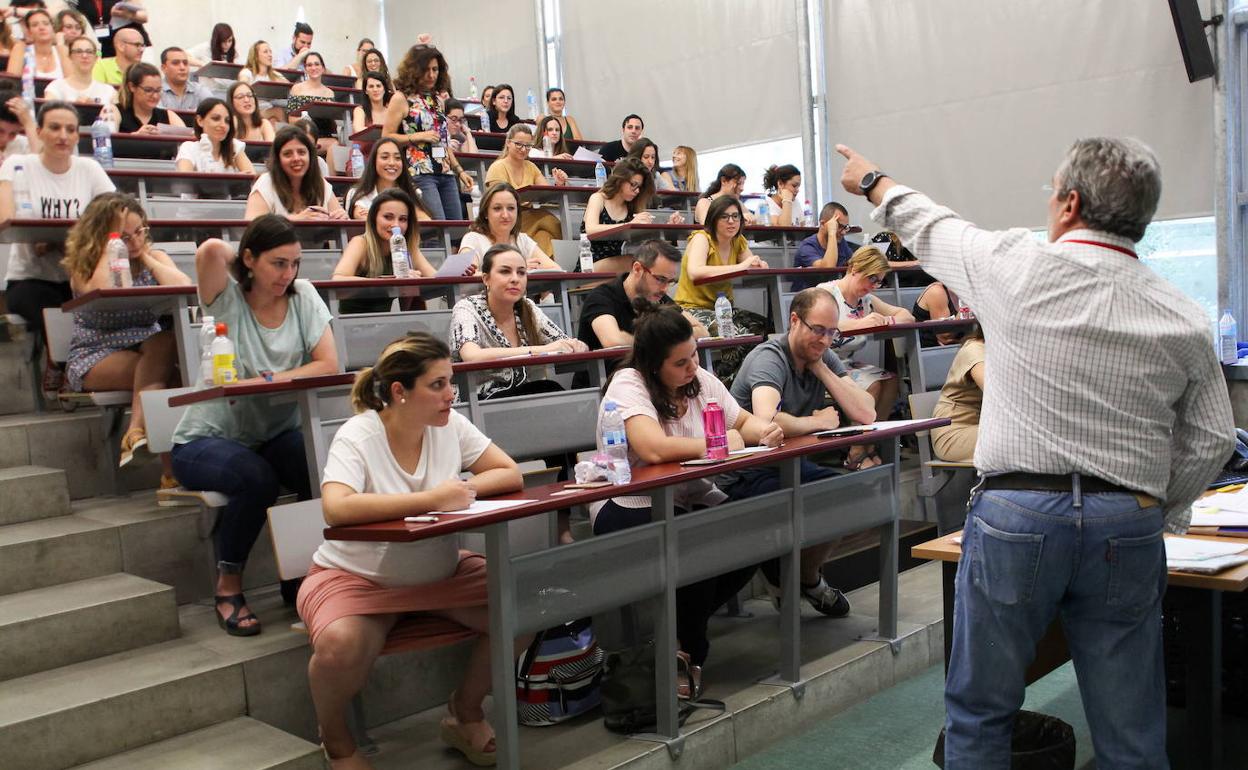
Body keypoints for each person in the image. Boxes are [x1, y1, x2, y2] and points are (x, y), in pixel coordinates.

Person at [839, 137, 1237, 767]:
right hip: (1125, 523)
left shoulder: (1014, 264)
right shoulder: (1181, 312)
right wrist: (1156, 506)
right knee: (1132, 731)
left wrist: (873, 182)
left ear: (1071, 203)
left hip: (1017, 515)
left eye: (1051, 189)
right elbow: (1215, 437)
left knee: (980, 715)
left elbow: (932, 225)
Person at [299, 332, 526, 768]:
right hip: (357, 578)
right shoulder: (358, 434)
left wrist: (464, 488)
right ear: (400, 392)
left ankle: (465, 711)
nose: (450, 394)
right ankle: (337, 739)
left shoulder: (450, 424)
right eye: (437, 385)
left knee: (525, 607)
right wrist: (433, 499)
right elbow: (337, 506)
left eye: (451, 382)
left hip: (441, 573)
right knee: (339, 647)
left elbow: (508, 473)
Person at [593, 303, 783, 695]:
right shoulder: (628, 383)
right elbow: (653, 448)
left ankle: (677, 632)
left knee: (757, 530)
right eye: (680, 363)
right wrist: (718, 444)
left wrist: (765, 430)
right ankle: (686, 649)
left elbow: (742, 421)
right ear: (652, 365)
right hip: (630, 502)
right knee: (695, 544)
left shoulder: (700, 379)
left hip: (690, 497)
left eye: (694, 354)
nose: (692, 367)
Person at [171, 216, 338, 637]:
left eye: (295, 263)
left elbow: (328, 364)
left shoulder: (304, 297)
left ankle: (299, 576)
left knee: (316, 464)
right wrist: (245, 262)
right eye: (277, 263)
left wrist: (263, 381)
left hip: (270, 434)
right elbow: (210, 249)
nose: (288, 274)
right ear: (248, 259)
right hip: (205, 440)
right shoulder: (226, 298)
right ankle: (228, 587)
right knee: (256, 479)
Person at [723, 287, 877, 616]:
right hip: (747, 472)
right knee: (827, 497)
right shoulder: (769, 357)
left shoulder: (820, 354)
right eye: (817, 330)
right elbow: (765, 420)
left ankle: (802, 578)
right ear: (794, 321)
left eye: (831, 332)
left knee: (854, 494)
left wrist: (821, 367)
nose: (823, 340)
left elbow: (866, 412)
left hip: (788, 466)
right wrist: (816, 421)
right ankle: (796, 577)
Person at [60, 192, 189, 483]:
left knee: (165, 341)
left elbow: (183, 285)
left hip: (150, 346)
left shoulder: (153, 257)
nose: (134, 240)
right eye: (124, 234)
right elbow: (104, 290)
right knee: (171, 380)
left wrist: (144, 255)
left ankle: (134, 433)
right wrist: (113, 247)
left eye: (139, 232)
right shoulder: (85, 266)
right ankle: (171, 474)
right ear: (102, 235)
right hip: (96, 352)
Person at [1, 100, 115, 392]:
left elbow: (116, 216)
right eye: (54, 128)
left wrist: (58, 243)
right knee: (58, 316)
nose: (63, 135)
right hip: (29, 279)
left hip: (77, 278)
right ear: (38, 132)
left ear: (78, 135)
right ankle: (62, 366)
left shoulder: (88, 168)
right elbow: (5, 220)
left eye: (70, 129)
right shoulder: (17, 165)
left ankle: (71, 370)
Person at [450, 243, 586, 400]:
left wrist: (575, 346)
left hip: (518, 395)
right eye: (505, 271)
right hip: (478, 399)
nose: (515, 279)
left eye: (521, 273)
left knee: (551, 390)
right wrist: (538, 350)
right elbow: (472, 355)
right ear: (486, 279)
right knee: (546, 391)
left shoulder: (527, 306)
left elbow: (561, 343)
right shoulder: (466, 308)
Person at [674, 194, 770, 383]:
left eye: (736, 216)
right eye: (724, 216)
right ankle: (723, 384)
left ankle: (743, 381)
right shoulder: (702, 238)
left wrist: (759, 263)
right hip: (693, 309)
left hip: (723, 307)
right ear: (714, 219)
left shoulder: (738, 240)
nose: (731, 221)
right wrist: (741, 266)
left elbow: (751, 264)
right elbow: (695, 271)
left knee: (762, 328)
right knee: (736, 336)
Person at [816, 245, 913, 426]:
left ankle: (869, 444)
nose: (873, 287)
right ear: (854, 269)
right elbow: (817, 326)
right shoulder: (825, 293)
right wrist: (860, 323)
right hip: (821, 363)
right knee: (872, 385)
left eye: (878, 282)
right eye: (871, 279)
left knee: (892, 381)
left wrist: (887, 321)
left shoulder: (865, 300)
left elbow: (907, 316)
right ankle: (858, 449)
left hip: (847, 364)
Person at [384, 44, 473, 221]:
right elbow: (386, 137)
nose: (432, 75)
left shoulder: (438, 100)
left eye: (435, 69)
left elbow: (444, 142)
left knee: (456, 228)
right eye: (426, 70)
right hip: (420, 171)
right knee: (437, 228)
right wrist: (417, 136)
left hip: (446, 171)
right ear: (414, 70)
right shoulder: (401, 99)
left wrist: (460, 171)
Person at [575, 238, 708, 352]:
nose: (665, 289)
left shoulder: (658, 297)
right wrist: (663, 339)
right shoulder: (601, 297)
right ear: (637, 269)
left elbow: (701, 331)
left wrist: (661, 339)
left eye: (670, 282)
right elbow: (613, 341)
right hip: (609, 378)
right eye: (660, 279)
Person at [333, 188, 437, 314]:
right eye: (388, 217)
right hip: (354, 326)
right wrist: (387, 282)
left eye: (403, 219)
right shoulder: (360, 243)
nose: (396, 225)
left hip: (386, 325)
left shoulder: (407, 247)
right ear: (374, 218)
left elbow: (435, 279)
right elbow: (338, 280)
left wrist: (415, 280)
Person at [485, 124, 567, 256]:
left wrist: (558, 184)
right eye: (519, 144)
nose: (523, 149)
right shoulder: (497, 167)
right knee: (550, 220)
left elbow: (547, 193)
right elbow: (497, 202)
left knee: (545, 235)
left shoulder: (531, 166)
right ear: (508, 143)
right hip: (507, 218)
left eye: (528, 146)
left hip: (528, 216)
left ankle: (541, 271)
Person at [580, 157, 669, 274]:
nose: (637, 191)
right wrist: (629, 225)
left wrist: (667, 225)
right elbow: (591, 230)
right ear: (620, 180)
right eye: (633, 184)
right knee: (636, 262)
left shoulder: (631, 207)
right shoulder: (598, 198)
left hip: (619, 265)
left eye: (639, 187)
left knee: (649, 259)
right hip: (590, 264)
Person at [245, 125, 345, 220]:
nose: (296, 158)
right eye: (287, 154)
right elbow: (252, 225)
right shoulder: (265, 183)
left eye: (301, 152)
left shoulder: (321, 184)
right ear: (278, 159)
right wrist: (296, 219)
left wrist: (341, 217)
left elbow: (342, 222)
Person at [458, 182, 559, 271]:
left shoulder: (522, 240)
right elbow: (467, 276)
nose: (505, 215)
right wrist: (518, 269)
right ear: (485, 213)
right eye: (497, 208)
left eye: (511, 208)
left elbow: (556, 269)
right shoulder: (472, 239)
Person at [930, 326, 984, 463]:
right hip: (954, 432)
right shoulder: (975, 350)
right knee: (1021, 437)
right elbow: (998, 395)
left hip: (981, 426)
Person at [345, 136, 421, 219]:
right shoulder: (356, 193)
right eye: (385, 157)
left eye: (397, 158)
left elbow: (424, 220)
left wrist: (375, 216)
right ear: (374, 162)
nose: (392, 163)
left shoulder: (413, 192)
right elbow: (362, 217)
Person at [46, 36, 118, 122]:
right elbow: (49, 116)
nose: (84, 56)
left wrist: (95, 111)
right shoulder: (55, 87)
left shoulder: (109, 91)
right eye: (78, 51)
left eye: (89, 52)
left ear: (96, 58)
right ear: (70, 57)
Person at [175, 98, 254, 174]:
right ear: (200, 120)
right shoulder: (188, 148)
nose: (223, 125)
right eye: (216, 118)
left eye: (227, 121)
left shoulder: (235, 146)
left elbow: (252, 178)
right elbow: (185, 180)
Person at [285, 52, 338, 166]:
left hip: (324, 137)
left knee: (334, 144)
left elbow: (333, 124)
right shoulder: (297, 89)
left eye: (316, 64)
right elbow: (292, 119)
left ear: (323, 68)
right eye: (309, 65)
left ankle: (329, 181)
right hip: (303, 135)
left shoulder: (330, 93)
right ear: (305, 69)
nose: (313, 68)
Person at [790, 202, 854, 291]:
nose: (843, 232)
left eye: (845, 227)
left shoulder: (841, 243)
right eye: (839, 226)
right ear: (823, 224)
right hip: (807, 299)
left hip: (831, 296)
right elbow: (828, 268)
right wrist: (832, 232)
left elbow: (855, 262)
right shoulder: (807, 246)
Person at [117, 62, 185, 133]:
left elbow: (187, 139)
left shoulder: (168, 115)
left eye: (158, 90)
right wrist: (136, 136)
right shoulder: (116, 112)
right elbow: (107, 139)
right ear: (132, 87)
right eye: (148, 90)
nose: (155, 96)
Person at [72, 0, 147, 59]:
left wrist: (125, 14)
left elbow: (144, 17)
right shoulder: (78, 2)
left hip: (135, 45)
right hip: (106, 49)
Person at [6, 8, 68, 79]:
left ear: (53, 28)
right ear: (29, 32)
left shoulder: (62, 51)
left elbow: (71, 85)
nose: (41, 28)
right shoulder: (20, 50)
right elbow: (11, 83)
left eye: (46, 24)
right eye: (35, 25)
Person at [239, 41, 287, 123]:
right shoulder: (247, 72)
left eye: (270, 52)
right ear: (256, 56)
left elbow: (291, 88)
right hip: (253, 110)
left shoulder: (274, 74)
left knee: (274, 119)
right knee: (278, 111)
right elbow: (242, 88)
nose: (270, 55)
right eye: (265, 52)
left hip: (269, 108)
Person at [157, 46, 210, 110]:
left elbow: (215, 110)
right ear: (164, 68)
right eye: (175, 63)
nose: (182, 67)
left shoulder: (199, 90)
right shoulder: (155, 91)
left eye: (185, 63)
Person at [0, 86, 41, 160]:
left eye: (13, 134)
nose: (5, 139)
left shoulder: (24, 144)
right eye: (0, 131)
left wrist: (28, 123)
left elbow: (40, 162)